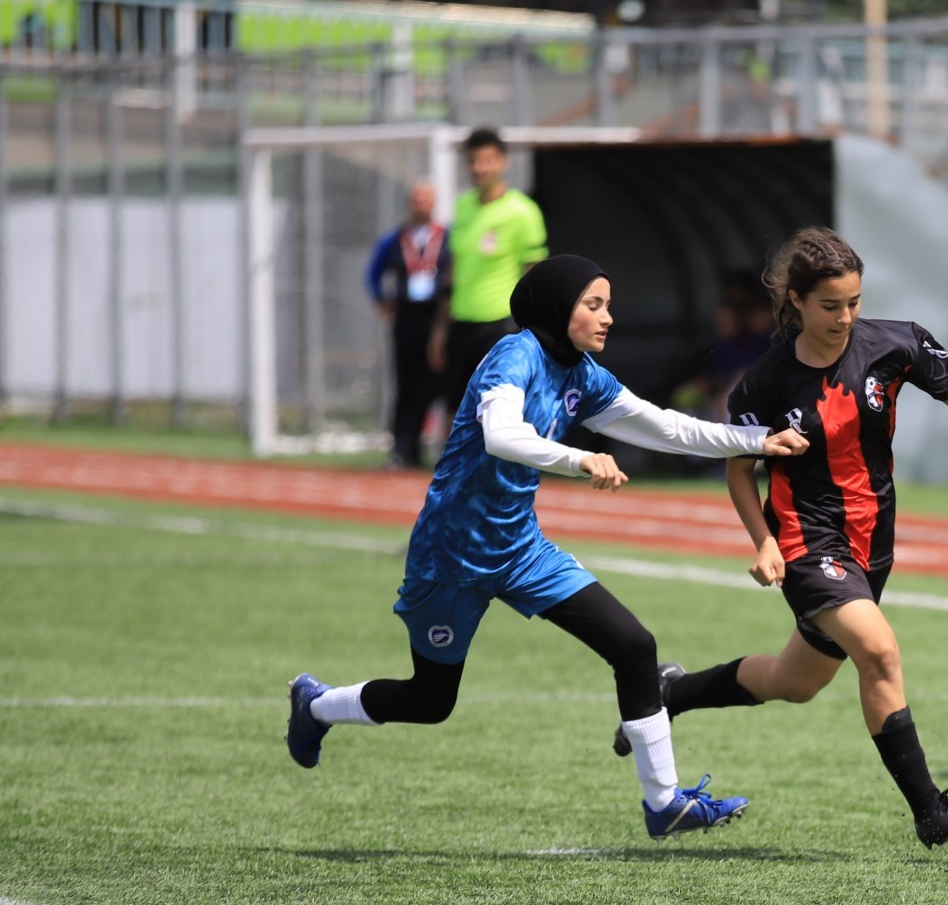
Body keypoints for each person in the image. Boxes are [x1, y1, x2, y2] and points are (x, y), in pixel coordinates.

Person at [287, 255, 811, 839]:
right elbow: (502, 435)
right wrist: (579, 458)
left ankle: (664, 804)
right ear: (558, 308)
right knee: (431, 700)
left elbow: (663, 425)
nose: (608, 317)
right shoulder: (515, 355)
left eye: (608, 304)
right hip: (451, 558)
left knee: (634, 645)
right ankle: (315, 705)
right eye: (595, 305)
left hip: (520, 550)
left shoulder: (582, 373)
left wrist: (757, 439)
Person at [610, 227, 948, 848]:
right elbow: (740, 468)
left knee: (795, 685)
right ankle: (931, 812)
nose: (845, 317)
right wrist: (764, 542)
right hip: (805, 540)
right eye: (830, 305)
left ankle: (671, 690)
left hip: (871, 542)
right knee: (878, 652)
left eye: (853, 302)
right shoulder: (765, 382)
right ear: (796, 300)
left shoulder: (894, 343)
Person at [431, 128, 549, 415]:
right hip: (461, 322)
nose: (479, 168)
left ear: (502, 162)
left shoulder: (523, 212)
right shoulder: (462, 208)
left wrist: (532, 333)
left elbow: (534, 276)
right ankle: (452, 462)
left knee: (498, 409)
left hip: (501, 324)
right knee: (456, 408)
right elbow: (453, 273)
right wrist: (440, 329)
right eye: (473, 161)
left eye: (487, 160)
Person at [364, 181, 451, 469]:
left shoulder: (447, 237)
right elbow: (374, 273)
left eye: (427, 199)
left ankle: (436, 444)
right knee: (405, 383)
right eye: (417, 199)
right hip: (406, 317)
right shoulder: (396, 238)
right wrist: (381, 299)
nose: (422, 205)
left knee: (435, 383)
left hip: (436, 318)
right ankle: (403, 448)